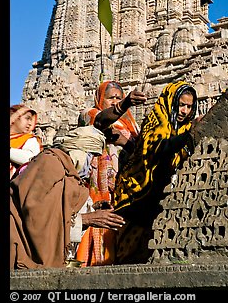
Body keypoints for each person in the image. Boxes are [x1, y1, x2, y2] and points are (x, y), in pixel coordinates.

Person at [10, 121, 127, 269]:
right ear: (79, 151)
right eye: (91, 156)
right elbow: (35, 212)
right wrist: (84, 220)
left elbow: (57, 204)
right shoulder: (50, 162)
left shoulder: (68, 172)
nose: (92, 164)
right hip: (22, 248)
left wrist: (91, 208)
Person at [113, 80, 200, 264]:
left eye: (189, 107)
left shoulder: (186, 127)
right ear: (171, 102)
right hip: (137, 196)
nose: (184, 111)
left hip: (163, 198)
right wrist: (190, 134)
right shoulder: (156, 121)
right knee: (129, 255)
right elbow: (159, 148)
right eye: (181, 105)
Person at [75, 81, 147, 266]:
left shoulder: (132, 126)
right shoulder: (89, 114)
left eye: (118, 98)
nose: (115, 101)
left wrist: (125, 142)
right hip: (100, 193)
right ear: (100, 99)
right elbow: (100, 121)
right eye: (111, 98)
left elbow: (140, 150)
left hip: (128, 190)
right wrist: (125, 104)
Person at [10, 104, 43, 179]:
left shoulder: (30, 140)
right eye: (27, 118)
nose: (30, 123)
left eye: (31, 120)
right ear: (15, 118)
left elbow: (30, 158)